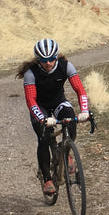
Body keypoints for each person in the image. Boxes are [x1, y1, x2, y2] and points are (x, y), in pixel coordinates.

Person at [17, 38, 90, 198]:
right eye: (43, 60)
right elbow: (30, 100)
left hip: (58, 101)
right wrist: (42, 118)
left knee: (70, 120)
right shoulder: (31, 73)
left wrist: (84, 110)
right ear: (38, 59)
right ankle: (47, 180)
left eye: (51, 59)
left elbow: (80, 90)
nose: (48, 63)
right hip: (39, 105)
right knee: (43, 137)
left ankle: (64, 152)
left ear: (56, 56)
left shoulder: (66, 66)